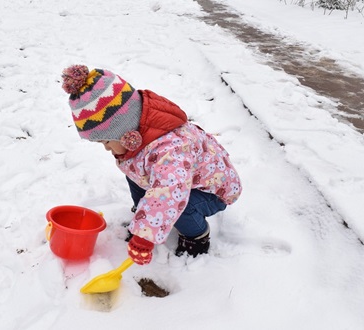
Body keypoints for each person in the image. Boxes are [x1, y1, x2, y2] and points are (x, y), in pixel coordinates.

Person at [61, 64, 242, 266]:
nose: (105, 148)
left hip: (210, 192)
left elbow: (170, 191)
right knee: (135, 172)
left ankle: (197, 235)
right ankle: (147, 214)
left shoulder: (170, 150)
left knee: (179, 204)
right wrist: (145, 219)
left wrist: (144, 235)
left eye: (105, 141)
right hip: (181, 182)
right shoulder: (141, 137)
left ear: (123, 131)